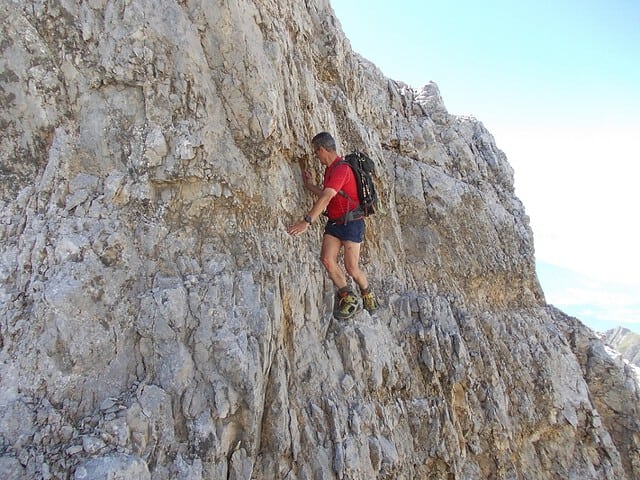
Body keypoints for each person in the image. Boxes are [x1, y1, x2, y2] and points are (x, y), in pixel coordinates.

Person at [287, 132, 378, 319]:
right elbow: (328, 193)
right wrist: (310, 186)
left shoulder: (341, 170)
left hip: (352, 223)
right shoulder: (330, 170)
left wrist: (307, 221)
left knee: (352, 268)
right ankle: (348, 296)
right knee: (327, 260)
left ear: (322, 149)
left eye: (316, 152)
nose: (316, 156)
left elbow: (327, 197)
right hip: (335, 223)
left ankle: (367, 293)